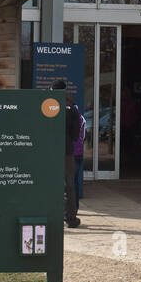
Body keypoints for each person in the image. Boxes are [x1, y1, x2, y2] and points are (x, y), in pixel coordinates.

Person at [53, 81, 81, 228]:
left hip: (47, 151)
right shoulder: (71, 108)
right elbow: (76, 135)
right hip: (66, 150)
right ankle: (70, 218)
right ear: (65, 91)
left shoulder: (44, 105)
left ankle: (48, 215)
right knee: (68, 185)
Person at [73, 100, 87, 202]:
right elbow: (84, 136)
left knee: (69, 182)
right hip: (78, 153)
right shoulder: (81, 117)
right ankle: (75, 207)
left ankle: (70, 208)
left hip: (70, 153)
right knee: (74, 181)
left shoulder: (67, 115)